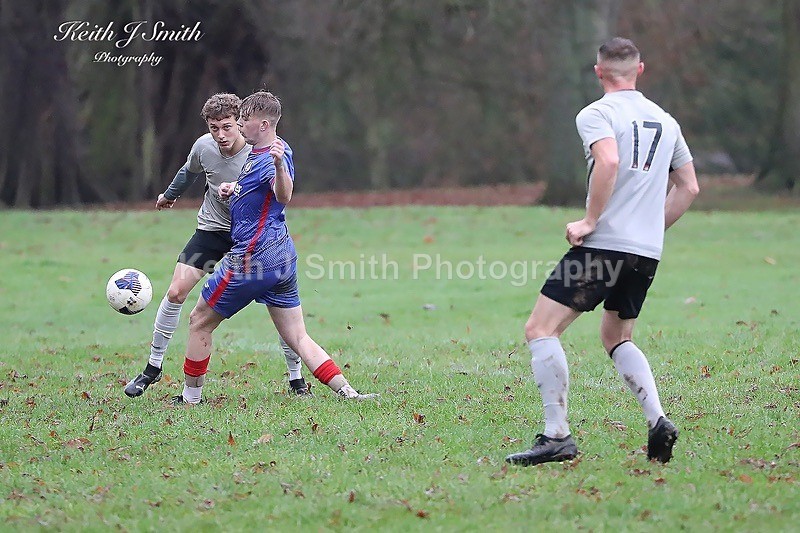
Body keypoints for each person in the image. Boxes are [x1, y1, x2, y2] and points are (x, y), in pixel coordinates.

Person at [506, 37, 699, 466]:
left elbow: (608, 161)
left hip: (604, 246)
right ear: (640, 70)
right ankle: (657, 420)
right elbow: (689, 186)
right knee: (616, 336)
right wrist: (651, 228)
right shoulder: (667, 122)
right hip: (645, 251)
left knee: (541, 329)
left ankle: (557, 435)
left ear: (598, 71)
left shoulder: (597, 113)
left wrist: (591, 221)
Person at [174, 91, 376, 405]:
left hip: (252, 259)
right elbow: (258, 192)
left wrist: (280, 167)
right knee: (297, 336)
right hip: (281, 256)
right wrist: (233, 189)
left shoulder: (273, 159)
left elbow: (283, 195)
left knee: (199, 321)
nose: (239, 126)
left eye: (244, 121)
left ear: (264, 124)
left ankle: (189, 399)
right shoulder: (262, 150)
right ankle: (349, 393)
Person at [124, 93, 310, 398]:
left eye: (226, 127)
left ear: (239, 123)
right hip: (213, 230)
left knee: (279, 306)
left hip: (253, 240)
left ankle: (295, 378)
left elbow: (279, 191)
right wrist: (170, 195)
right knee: (175, 291)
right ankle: (152, 369)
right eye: (214, 128)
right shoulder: (204, 147)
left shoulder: (260, 150)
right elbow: (188, 171)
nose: (220, 135)